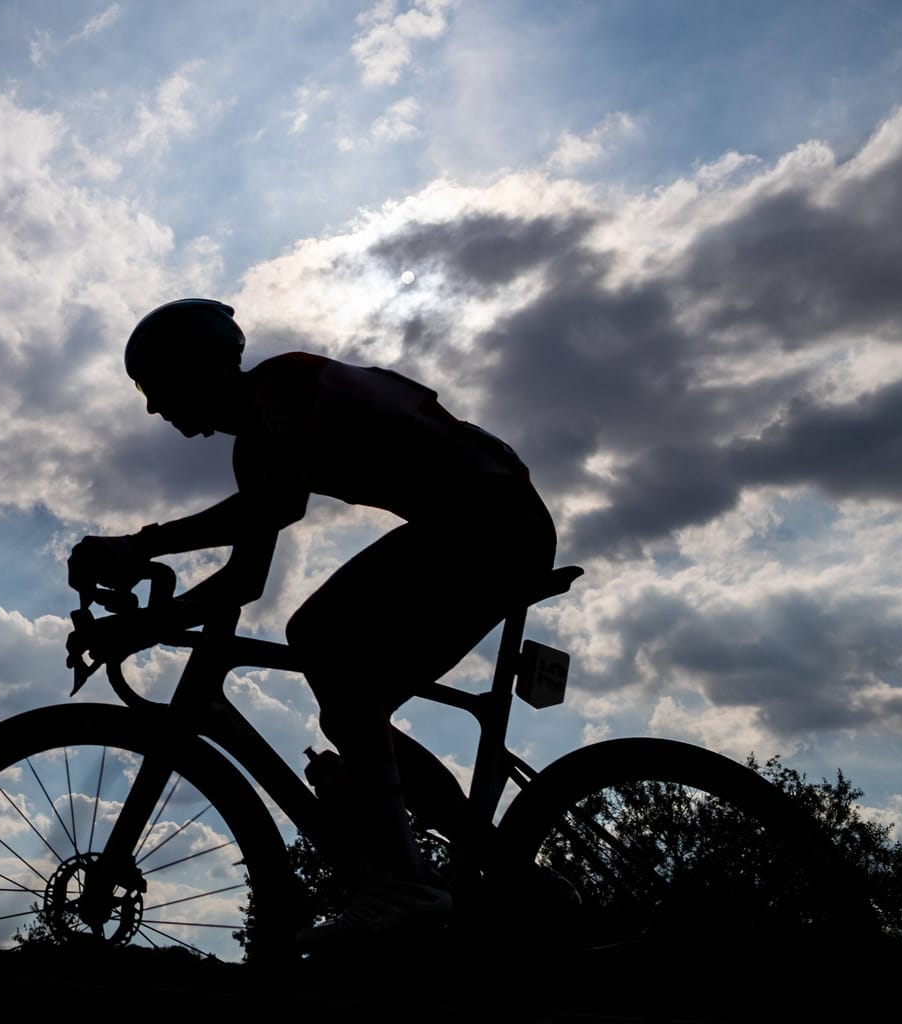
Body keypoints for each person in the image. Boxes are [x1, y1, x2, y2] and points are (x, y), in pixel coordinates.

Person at [67, 298, 556, 945]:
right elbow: (243, 582)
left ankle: (406, 884)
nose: (154, 409)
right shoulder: (256, 444)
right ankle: (503, 874)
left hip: (491, 515)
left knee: (320, 635)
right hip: (478, 521)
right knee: (354, 710)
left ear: (193, 368)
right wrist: (139, 629)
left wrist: (141, 544)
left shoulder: (284, 385)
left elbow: (275, 506)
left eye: (154, 388)